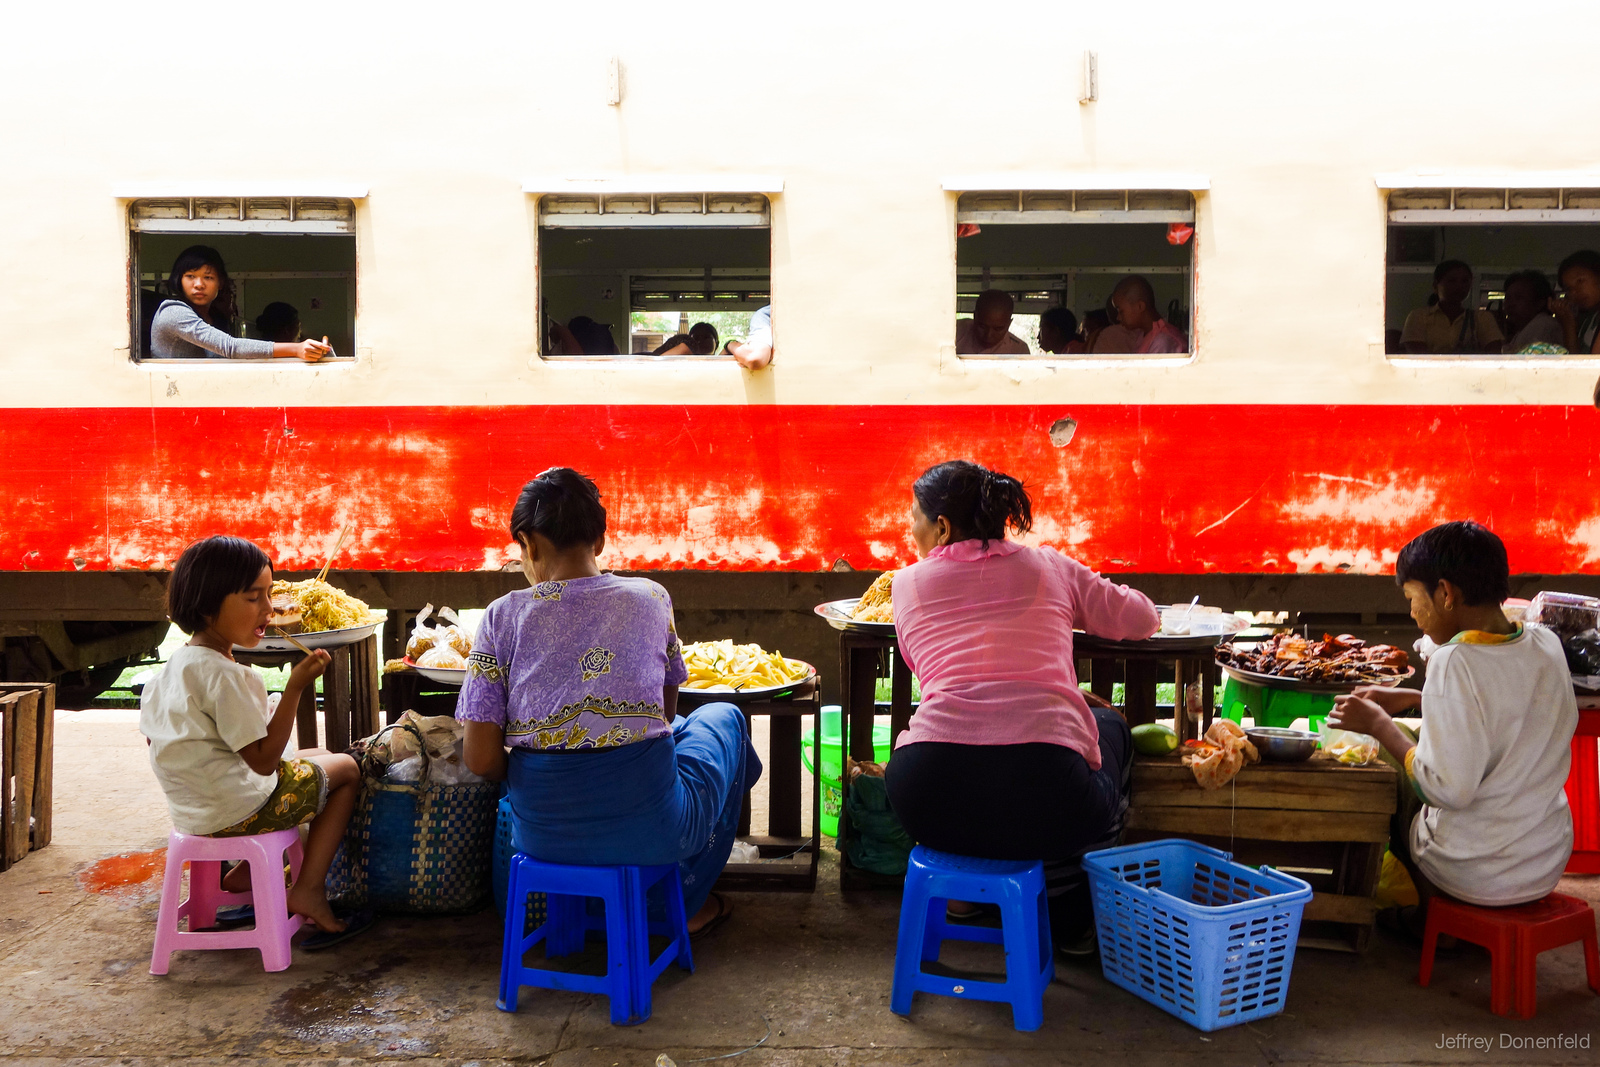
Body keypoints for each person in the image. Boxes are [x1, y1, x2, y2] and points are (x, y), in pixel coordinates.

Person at [458, 468, 761, 936]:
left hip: (542, 835)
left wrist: (540, 768)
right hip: (651, 827)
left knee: (684, 743)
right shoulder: (650, 598)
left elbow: (480, 759)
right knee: (724, 720)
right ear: (599, 540)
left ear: (528, 543)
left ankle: (606, 903)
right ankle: (681, 903)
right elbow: (661, 716)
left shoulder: (501, 617)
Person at [882, 460, 1160, 955]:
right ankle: (1071, 906)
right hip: (1048, 791)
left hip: (925, 793)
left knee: (980, 782)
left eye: (914, 521)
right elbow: (1140, 618)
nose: (911, 531)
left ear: (941, 527)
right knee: (1111, 729)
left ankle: (962, 900)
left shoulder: (905, 585)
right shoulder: (1050, 566)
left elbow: (932, 671)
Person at [1328, 522, 1577, 938]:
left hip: (1475, 871)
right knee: (1414, 744)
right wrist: (1411, 698)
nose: (1411, 612)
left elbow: (1445, 789)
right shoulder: (1544, 642)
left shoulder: (1453, 660)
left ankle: (1432, 919)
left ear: (1445, 593)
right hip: (1545, 861)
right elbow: (1508, 712)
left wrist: (1379, 724)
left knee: (1389, 763)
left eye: (1412, 598)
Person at [139, 535, 366, 940]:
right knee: (346, 770)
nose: (268, 609)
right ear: (209, 606)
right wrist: (296, 687)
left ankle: (248, 873)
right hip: (238, 810)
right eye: (252, 598)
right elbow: (262, 762)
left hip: (194, 812)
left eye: (269, 594)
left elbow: (160, 745)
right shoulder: (226, 676)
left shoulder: (174, 669)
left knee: (312, 755)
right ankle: (309, 890)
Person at [150, 246, 330, 361]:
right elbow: (230, 347)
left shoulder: (213, 318)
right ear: (178, 280)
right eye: (190, 276)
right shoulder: (172, 312)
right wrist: (297, 348)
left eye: (208, 277)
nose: (199, 284)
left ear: (220, 283)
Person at [1400, 260, 1503, 355]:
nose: (1459, 286)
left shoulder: (1482, 318)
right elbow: (1418, 357)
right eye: (1452, 281)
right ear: (1436, 286)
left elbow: (1493, 354)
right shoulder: (1419, 316)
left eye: (1465, 281)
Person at [1090, 276, 1186, 354]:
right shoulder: (1144, 334)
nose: (1118, 317)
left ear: (1140, 306)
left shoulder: (1163, 341)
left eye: (1121, 311)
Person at [1498, 271, 1565, 354]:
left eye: (1519, 298)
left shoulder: (1543, 325)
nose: (1510, 304)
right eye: (1507, 298)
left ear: (1540, 302)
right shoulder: (1524, 329)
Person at [1553, 249, 1600, 356]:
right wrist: (1568, 324)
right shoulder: (1589, 321)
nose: (1575, 292)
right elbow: (1575, 363)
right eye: (1569, 289)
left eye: (1580, 281)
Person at [955, 289, 1030, 355]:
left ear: (1009, 324)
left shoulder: (1018, 351)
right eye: (982, 326)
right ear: (975, 317)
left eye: (998, 329)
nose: (988, 335)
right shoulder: (953, 333)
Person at [653, 322, 720, 356]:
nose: (699, 341)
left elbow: (729, 345)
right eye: (696, 338)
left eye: (706, 337)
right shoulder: (680, 362)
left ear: (716, 344)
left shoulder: (722, 363)